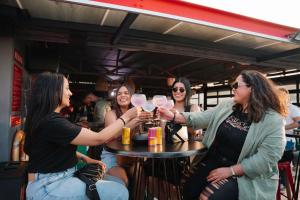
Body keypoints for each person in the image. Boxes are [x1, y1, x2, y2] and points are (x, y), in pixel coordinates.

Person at [158, 70, 287, 200]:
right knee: (187, 188)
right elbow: (201, 117)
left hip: (245, 174)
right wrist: (173, 116)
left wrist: (230, 171)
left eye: (236, 85)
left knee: (209, 197)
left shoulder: (273, 119)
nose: (233, 88)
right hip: (214, 161)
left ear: (252, 88)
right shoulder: (228, 105)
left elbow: (267, 158)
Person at [24, 72, 139, 200]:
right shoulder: (52, 122)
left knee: (118, 182)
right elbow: (99, 138)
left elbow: (53, 150)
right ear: (54, 91)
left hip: (56, 179)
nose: (70, 93)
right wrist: (127, 116)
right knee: (120, 192)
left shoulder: (46, 119)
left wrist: (85, 158)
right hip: (50, 186)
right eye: (67, 88)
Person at [103, 84, 150, 186]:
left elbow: (139, 136)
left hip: (130, 156)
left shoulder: (137, 115)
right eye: (119, 94)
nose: (122, 96)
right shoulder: (111, 114)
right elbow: (110, 137)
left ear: (132, 97)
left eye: (126, 93)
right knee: (123, 180)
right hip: (112, 156)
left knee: (140, 175)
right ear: (116, 98)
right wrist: (131, 124)